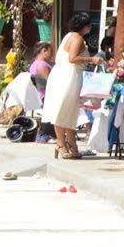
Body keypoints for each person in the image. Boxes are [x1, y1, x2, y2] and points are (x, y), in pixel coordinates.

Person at [41, 13, 102, 159]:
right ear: (84, 27)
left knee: (69, 112)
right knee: (63, 110)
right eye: (88, 25)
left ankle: (71, 144)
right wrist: (92, 59)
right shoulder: (78, 39)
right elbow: (72, 58)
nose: (90, 27)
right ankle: (61, 144)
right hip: (68, 76)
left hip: (62, 74)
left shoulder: (69, 35)